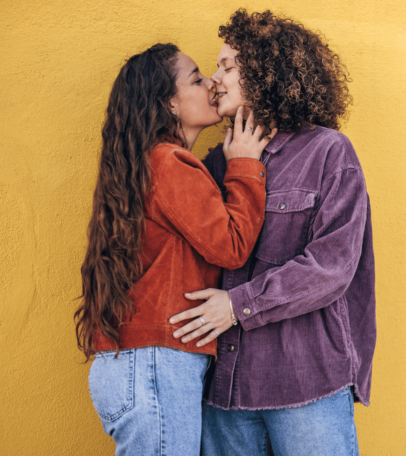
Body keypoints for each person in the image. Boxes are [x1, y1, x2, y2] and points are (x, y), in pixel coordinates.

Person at [168, 10, 376, 455]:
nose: (216, 80)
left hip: (305, 387)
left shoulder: (327, 152)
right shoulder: (217, 162)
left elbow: (331, 266)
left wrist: (238, 306)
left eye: (227, 66)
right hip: (224, 395)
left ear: (265, 72)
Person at [75, 42, 275, 455]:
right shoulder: (169, 164)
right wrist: (243, 166)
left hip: (137, 366)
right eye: (197, 78)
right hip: (154, 368)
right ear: (169, 102)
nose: (212, 85)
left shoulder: (148, 163)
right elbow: (232, 246)